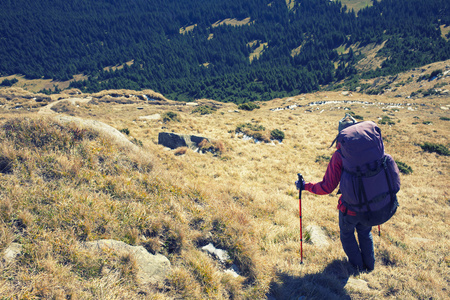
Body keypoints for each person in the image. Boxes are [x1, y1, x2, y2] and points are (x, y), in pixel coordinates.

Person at [296, 114, 375, 272]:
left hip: (350, 208)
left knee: (347, 235)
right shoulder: (370, 150)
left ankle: (358, 268)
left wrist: (305, 186)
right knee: (365, 232)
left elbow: (327, 187)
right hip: (371, 205)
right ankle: (370, 267)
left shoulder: (340, 155)